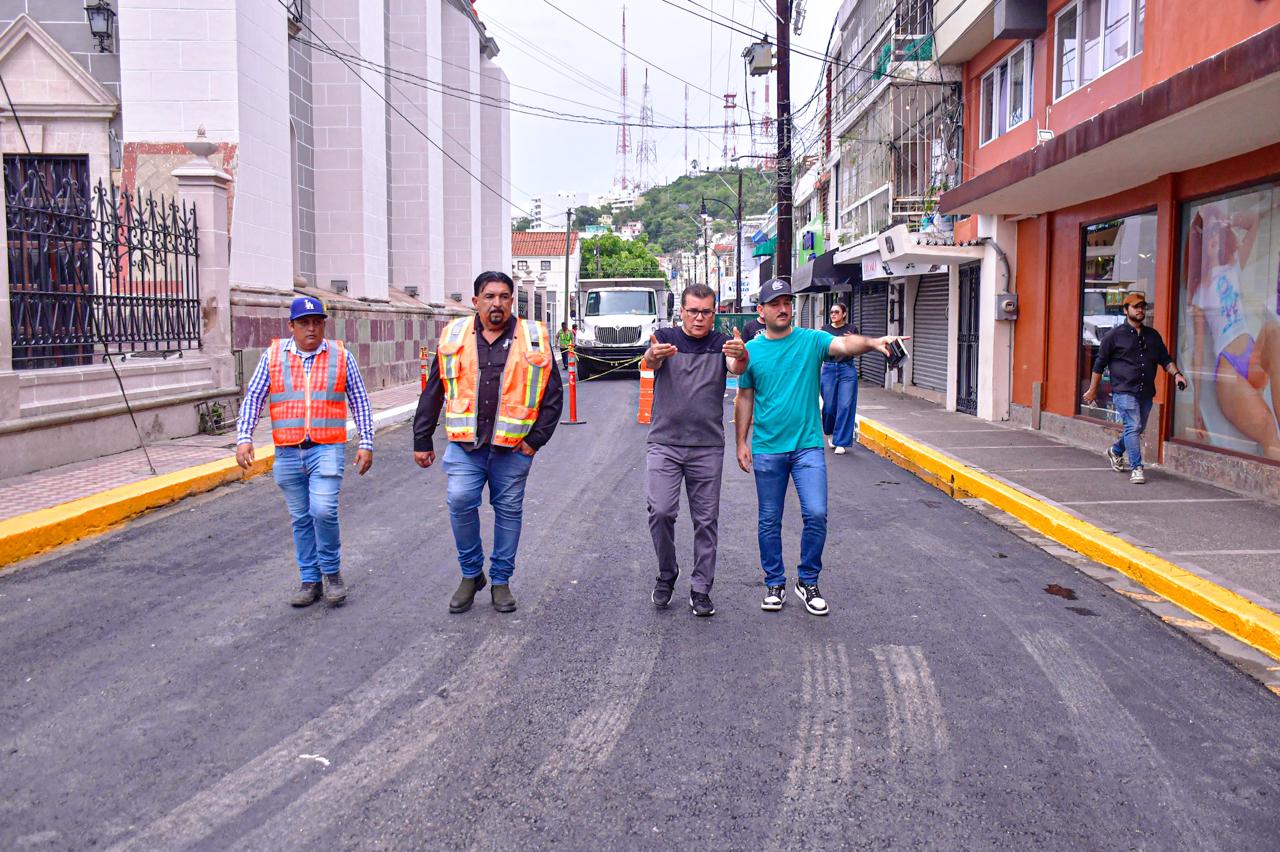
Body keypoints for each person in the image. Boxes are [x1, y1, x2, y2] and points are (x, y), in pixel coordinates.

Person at [734, 278, 906, 615]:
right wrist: (741, 442)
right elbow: (744, 397)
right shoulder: (752, 351)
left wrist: (873, 342)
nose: (783, 308)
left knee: (816, 513)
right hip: (768, 448)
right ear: (761, 311)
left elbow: (844, 346)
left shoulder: (812, 340)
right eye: (775, 303)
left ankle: (807, 580)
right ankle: (774, 582)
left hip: (807, 447)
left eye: (787, 302)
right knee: (769, 519)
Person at [414, 271, 563, 614]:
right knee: (460, 500)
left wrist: (534, 441)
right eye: (489, 296)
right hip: (466, 446)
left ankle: (500, 581)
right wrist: (422, 438)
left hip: (513, 450)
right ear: (476, 301)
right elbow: (435, 389)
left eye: (504, 297)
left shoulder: (534, 338)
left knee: (508, 513)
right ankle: (471, 575)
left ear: (512, 300)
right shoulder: (454, 336)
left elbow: (552, 395)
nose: (497, 303)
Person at [235, 296, 374, 608]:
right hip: (287, 452)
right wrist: (244, 438)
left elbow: (360, 400)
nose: (311, 328)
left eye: (317, 322)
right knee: (300, 517)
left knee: (323, 510)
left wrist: (367, 442)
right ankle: (309, 579)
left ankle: (332, 573)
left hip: (326, 448)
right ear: (292, 326)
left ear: (324, 324)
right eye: (304, 323)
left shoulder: (341, 356)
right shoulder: (273, 356)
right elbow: (254, 396)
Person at [642, 283, 749, 617]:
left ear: (713, 313)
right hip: (665, 444)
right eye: (693, 311)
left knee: (706, 520)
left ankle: (701, 588)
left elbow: (737, 369)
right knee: (660, 512)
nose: (699, 318)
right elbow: (650, 362)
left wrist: (741, 354)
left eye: (705, 312)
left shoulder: (722, 344)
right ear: (682, 312)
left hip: (706, 447)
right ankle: (666, 572)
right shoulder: (665, 338)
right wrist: (651, 356)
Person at [1186, 208, 1280, 460]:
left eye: (1217, 231)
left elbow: (1254, 221)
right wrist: (1198, 411)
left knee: (1273, 330)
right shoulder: (1200, 293)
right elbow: (1197, 353)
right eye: (1207, 234)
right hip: (1229, 368)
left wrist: (1229, 219)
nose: (1213, 237)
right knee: (1269, 430)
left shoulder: (1233, 265)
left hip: (1251, 355)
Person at [1082, 292, 1188, 484]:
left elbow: (1165, 359)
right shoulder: (1113, 337)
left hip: (1146, 391)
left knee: (1136, 428)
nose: (1140, 310)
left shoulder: (1152, 336)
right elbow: (1099, 365)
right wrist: (1092, 390)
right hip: (1123, 390)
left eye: (1142, 307)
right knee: (1133, 425)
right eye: (1136, 307)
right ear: (1125, 310)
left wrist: (1177, 374)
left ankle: (1115, 451)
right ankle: (1137, 468)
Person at [820, 302, 860, 454]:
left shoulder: (851, 329)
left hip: (846, 369)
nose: (833, 314)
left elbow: (857, 352)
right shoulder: (825, 330)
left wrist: (853, 342)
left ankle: (841, 441)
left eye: (836, 312)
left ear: (844, 314)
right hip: (828, 369)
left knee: (845, 405)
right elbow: (819, 349)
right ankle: (830, 431)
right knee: (829, 407)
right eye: (831, 312)